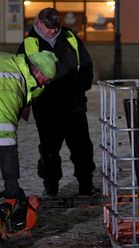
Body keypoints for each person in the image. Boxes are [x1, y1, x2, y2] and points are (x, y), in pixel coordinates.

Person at [17, 7, 98, 198]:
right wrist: (28, 101)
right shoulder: (28, 44)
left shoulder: (70, 38)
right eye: (49, 27)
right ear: (38, 23)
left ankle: (86, 185)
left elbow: (86, 64)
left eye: (55, 27)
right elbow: (22, 74)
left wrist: (81, 87)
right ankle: (51, 187)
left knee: (82, 148)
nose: (53, 31)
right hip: (45, 106)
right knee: (49, 151)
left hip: (74, 104)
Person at [0, 50, 57, 231]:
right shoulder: (11, 87)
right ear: (37, 72)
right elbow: (5, 138)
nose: (45, 84)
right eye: (45, 79)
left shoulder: (13, 65)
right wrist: (12, 185)